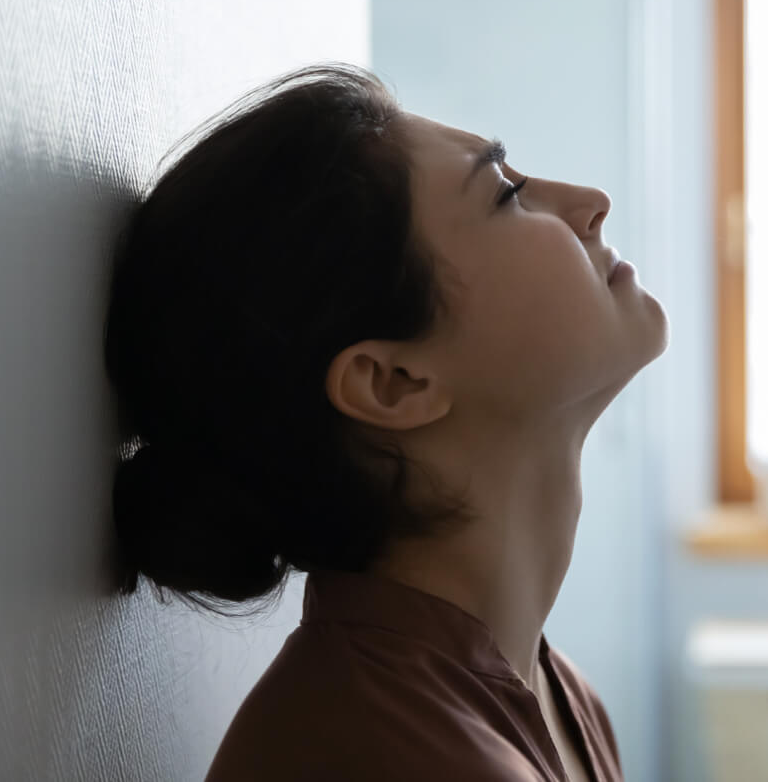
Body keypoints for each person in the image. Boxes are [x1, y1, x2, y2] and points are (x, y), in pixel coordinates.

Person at [103, 63, 669, 781]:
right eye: (508, 194)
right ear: (393, 383)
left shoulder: (557, 698)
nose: (592, 203)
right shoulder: (392, 754)